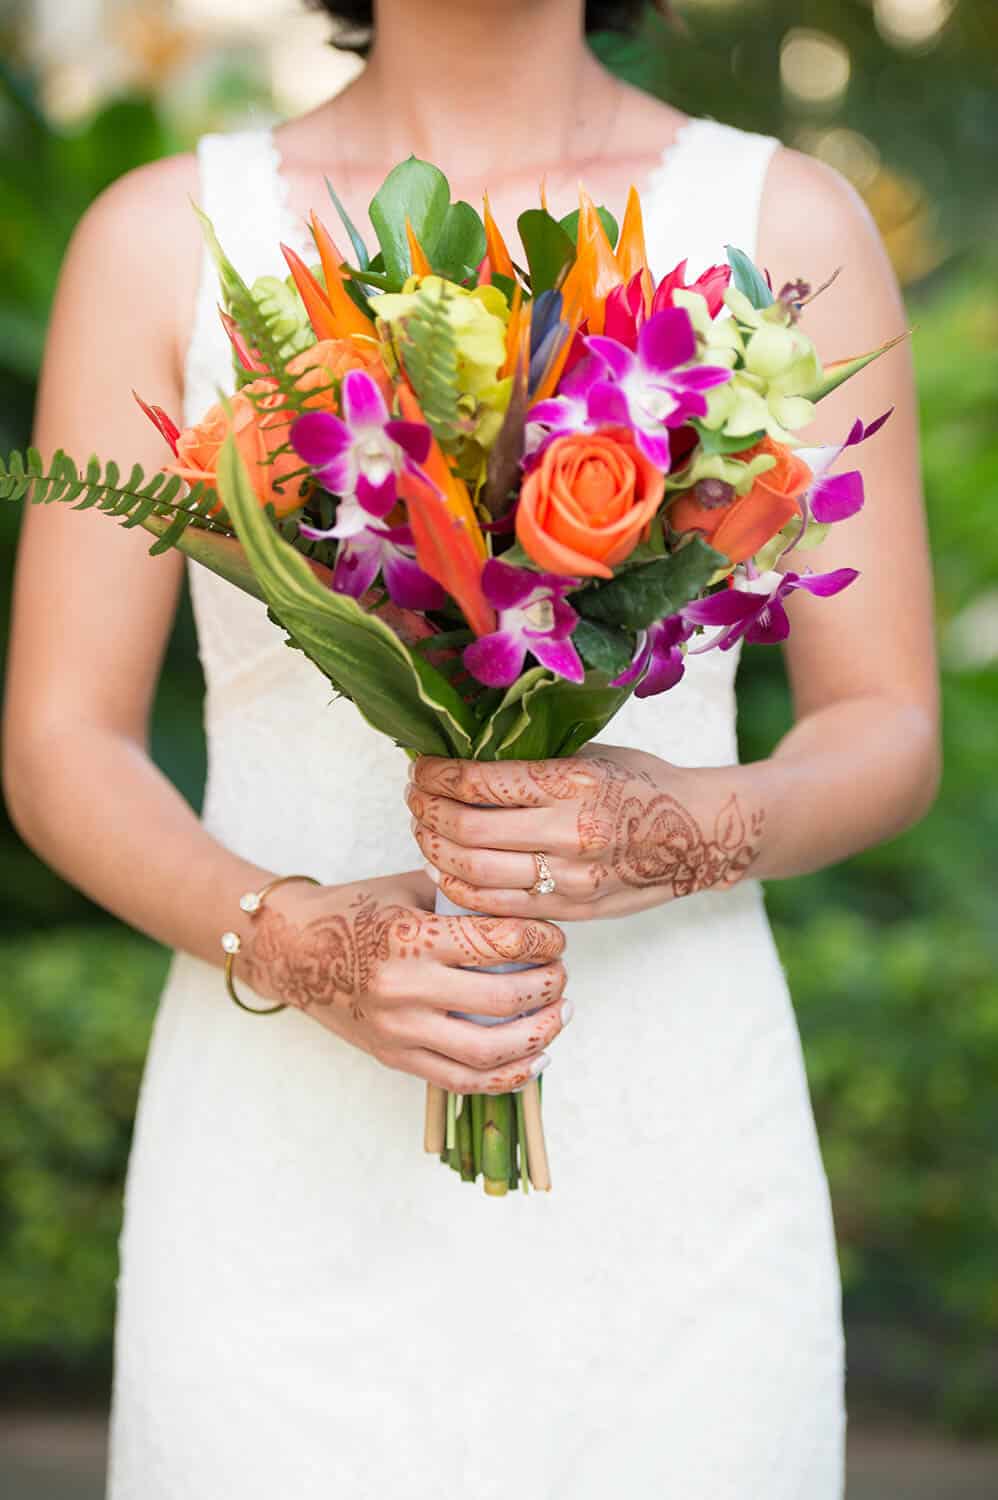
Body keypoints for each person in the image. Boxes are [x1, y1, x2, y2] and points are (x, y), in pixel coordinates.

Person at [3, 1, 938, 1495]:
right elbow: (62, 743)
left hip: (670, 1148)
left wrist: (684, 824)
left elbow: (884, 726)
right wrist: (293, 936)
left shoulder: (778, 219)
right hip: (283, 1152)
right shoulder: (165, 235)